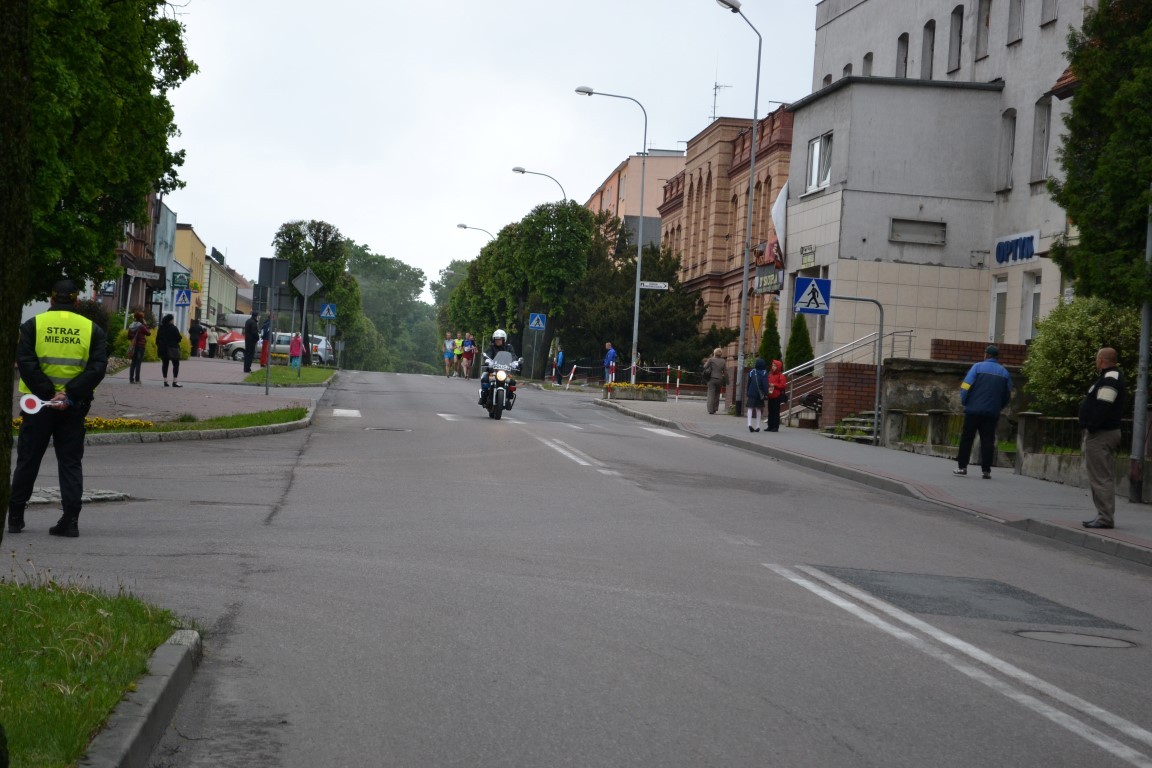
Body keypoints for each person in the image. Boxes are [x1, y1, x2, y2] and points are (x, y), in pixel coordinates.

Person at [7, 278, 108, 537]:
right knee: (70, 462)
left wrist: (48, 393)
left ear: (51, 299)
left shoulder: (33, 325)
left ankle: (15, 517)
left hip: (38, 405)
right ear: (77, 301)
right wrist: (68, 394)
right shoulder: (92, 330)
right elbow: (97, 368)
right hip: (72, 406)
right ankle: (70, 520)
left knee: (28, 459)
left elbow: (26, 362)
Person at [1080, 347, 1127, 529]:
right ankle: (1102, 515)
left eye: (1096, 358)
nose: (1096, 361)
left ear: (1101, 360)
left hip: (1101, 434)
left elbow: (1103, 406)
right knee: (1100, 476)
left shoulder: (1110, 379)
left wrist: (1092, 425)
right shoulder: (1109, 377)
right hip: (1101, 432)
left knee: (1101, 477)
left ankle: (1105, 518)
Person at [954, 344, 1013, 479]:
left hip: (973, 410)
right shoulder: (1004, 372)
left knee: (967, 439)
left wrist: (965, 401)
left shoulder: (977, 367)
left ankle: (962, 467)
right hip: (991, 412)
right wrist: (999, 407)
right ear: (997, 357)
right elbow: (1007, 394)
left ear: (986, 355)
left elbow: (965, 386)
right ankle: (986, 471)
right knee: (988, 440)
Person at [478, 329, 518, 407]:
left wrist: (515, 362)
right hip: (493, 370)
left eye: (500, 339)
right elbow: (488, 354)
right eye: (496, 339)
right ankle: (484, 396)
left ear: (504, 339)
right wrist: (487, 360)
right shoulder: (491, 347)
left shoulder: (509, 347)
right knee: (485, 378)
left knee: (512, 382)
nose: (498, 341)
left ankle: (508, 398)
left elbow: (513, 355)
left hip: (505, 371)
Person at [156, 314, 183, 387]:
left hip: (163, 348)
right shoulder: (174, 328)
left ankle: (165, 381)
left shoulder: (161, 328)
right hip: (173, 348)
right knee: (176, 364)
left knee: (165, 364)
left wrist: (160, 345)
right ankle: (175, 381)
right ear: (171, 320)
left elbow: (157, 339)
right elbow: (179, 338)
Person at [702, 348, 727, 414]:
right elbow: (725, 371)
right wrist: (727, 380)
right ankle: (715, 408)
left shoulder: (711, 359)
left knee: (711, 394)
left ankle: (710, 410)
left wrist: (707, 362)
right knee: (717, 394)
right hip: (719, 379)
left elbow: (705, 366)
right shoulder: (723, 361)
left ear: (714, 353)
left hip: (711, 379)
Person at [127, 311, 149, 384]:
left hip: (134, 346)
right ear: (141, 318)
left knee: (133, 362)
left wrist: (133, 339)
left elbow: (128, 337)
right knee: (138, 363)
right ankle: (137, 380)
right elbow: (148, 333)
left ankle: (131, 379)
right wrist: (146, 324)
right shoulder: (141, 326)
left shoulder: (131, 326)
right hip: (140, 346)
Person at [746, 358, 768, 433]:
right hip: (759, 394)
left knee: (750, 408)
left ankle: (749, 424)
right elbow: (765, 385)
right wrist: (766, 393)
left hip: (751, 392)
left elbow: (749, 383)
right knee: (758, 409)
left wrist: (748, 392)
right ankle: (758, 426)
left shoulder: (752, 372)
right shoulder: (764, 373)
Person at [766, 359, 788, 432]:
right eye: (772, 365)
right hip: (770, 395)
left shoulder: (781, 376)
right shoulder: (770, 375)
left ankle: (775, 427)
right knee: (770, 411)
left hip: (777, 396)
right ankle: (770, 426)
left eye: (775, 366)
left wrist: (774, 385)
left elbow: (783, 385)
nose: (773, 367)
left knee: (775, 412)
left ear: (778, 367)